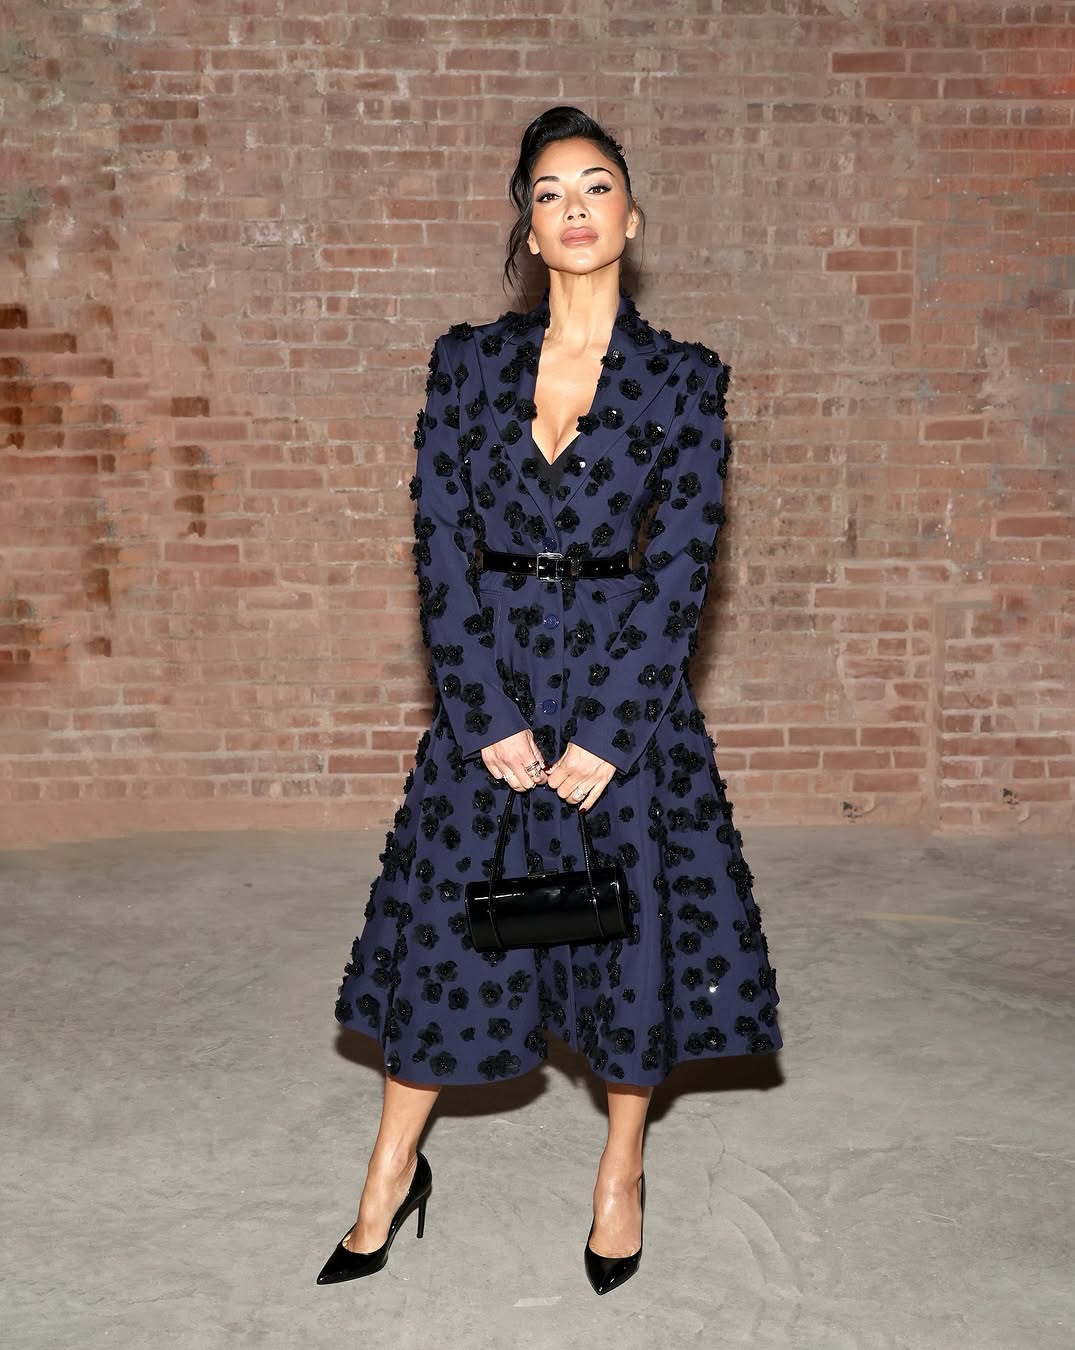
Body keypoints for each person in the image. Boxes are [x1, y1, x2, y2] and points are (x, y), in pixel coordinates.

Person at [319, 105, 782, 1296]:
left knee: (626, 942)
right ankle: (390, 1171)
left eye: (596, 187)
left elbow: (682, 567)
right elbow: (439, 544)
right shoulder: (466, 363)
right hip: (496, 675)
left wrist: (613, 736)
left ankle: (622, 1170)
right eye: (548, 193)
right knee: (450, 935)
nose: (574, 208)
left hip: (624, 686)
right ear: (528, 230)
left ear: (633, 216)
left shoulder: (683, 379)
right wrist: (483, 712)